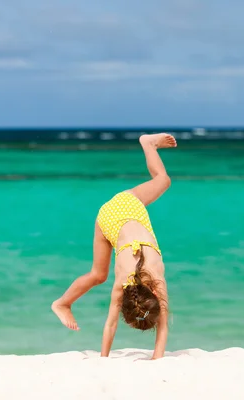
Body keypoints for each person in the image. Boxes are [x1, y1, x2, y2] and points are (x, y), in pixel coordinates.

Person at [51, 132, 177, 360]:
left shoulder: (154, 281)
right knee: (97, 275)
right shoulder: (123, 283)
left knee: (164, 180)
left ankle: (148, 144)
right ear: (123, 304)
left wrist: (107, 359)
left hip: (126, 204)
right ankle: (61, 304)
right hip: (110, 219)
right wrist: (104, 359)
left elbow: (114, 326)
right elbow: (111, 325)